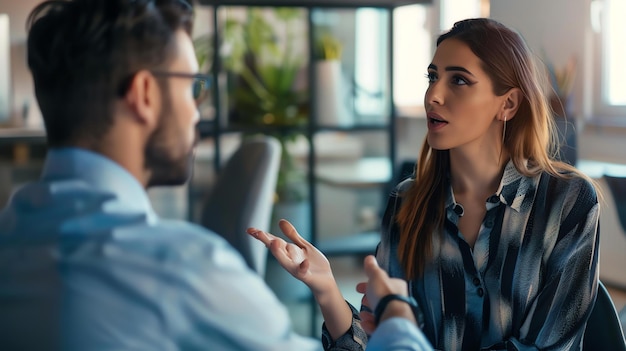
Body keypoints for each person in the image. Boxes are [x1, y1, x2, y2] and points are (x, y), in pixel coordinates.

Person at [0, 0, 434, 350]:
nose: (198, 111)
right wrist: (398, 315)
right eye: (193, 87)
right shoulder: (184, 272)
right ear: (145, 94)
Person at [249, 18, 600, 350]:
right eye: (432, 77)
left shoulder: (567, 202)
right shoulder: (407, 203)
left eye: (458, 80)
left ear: (507, 104)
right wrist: (325, 286)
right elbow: (383, 342)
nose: (433, 95)